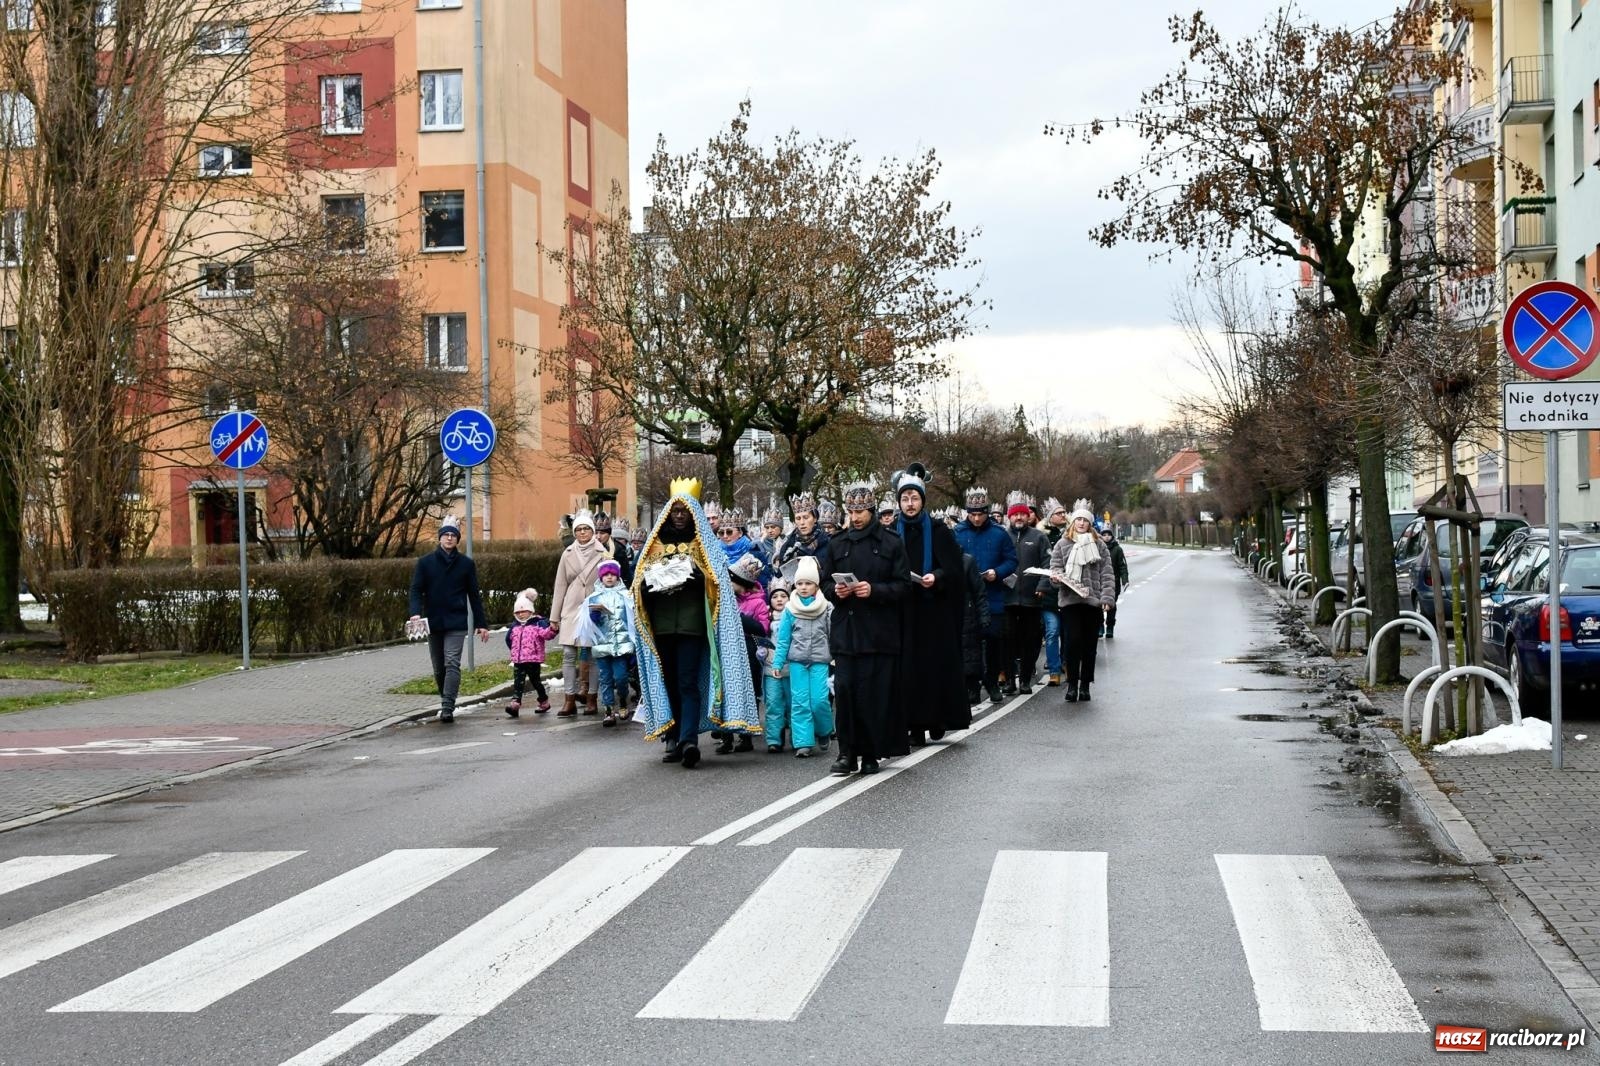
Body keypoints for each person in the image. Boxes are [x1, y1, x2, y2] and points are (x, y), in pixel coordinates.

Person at [631, 479, 761, 768]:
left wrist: (697, 577)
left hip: (691, 625)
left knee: (687, 682)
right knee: (670, 682)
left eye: (683, 511)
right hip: (662, 625)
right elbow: (637, 583)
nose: (679, 515)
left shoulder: (705, 545)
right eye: (674, 511)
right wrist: (649, 585)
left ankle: (689, 740)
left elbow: (718, 583)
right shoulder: (653, 545)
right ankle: (672, 736)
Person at [820, 482, 911, 775]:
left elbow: (903, 586)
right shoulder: (837, 543)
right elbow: (824, 584)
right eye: (852, 511)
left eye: (861, 511)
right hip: (846, 631)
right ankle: (847, 752)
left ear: (871, 511)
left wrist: (875, 590)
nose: (856, 516)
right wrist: (836, 590)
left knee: (872, 695)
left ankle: (871, 752)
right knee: (844, 691)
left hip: (878, 633)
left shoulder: (891, 542)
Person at [892, 463, 969, 743]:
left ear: (922, 501)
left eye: (914, 498)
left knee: (934, 668)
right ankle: (913, 724)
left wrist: (935, 577)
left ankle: (938, 718)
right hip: (903, 611)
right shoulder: (891, 533)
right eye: (905, 499)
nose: (909, 504)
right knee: (908, 669)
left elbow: (954, 570)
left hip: (933, 610)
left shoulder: (938, 531)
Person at [407, 516, 490, 723]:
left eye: (453, 535)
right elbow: (416, 590)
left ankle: (447, 706)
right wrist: (415, 612)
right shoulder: (425, 563)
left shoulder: (465, 564)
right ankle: (445, 697)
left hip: (456, 621)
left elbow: (474, 594)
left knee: (452, 663)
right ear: (440, 538)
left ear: (457, 539)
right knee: (439, 667)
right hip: (433, 621)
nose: (450, 539)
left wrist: (481, 624)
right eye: (446, 535)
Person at [952, 487, 1018, 704]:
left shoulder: (1000, 534)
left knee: (992, 642)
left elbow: (1012, 561)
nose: (977, 518)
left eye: (981, 514)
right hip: (965, 598)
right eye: (973, 514)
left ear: (987, 512)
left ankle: (991, 682)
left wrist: (996, 573)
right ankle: (971, 684)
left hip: (992, 596)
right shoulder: (958, 532)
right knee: (968, 644)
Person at [1049, 499, 1115, 703]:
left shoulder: (1100, 546)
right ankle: (1072, 684)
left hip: (1092, 602)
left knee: (1089, 645)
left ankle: (1085, 685)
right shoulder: (1062, 544)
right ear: (1072, 522)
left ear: (1089, 524)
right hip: (1070, 601)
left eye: (1084, 520)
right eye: (1077, 519)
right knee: (1072, 642)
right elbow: (1055, 568)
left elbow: (1107, 574)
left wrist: (1107, 598)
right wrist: (1056, 578)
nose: (1081, 523)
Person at [770, 556, 835, 759]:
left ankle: (824, 730)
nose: (804, 587)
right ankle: (803, 742)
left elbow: (833, 635)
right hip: (797, 661)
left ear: (816, 585)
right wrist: (778, 662)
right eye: (799, 583)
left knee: (818, 701)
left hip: (819, 660)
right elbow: (783, 639)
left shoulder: (826, 607)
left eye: (808, 583)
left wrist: (837, 657)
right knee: (799, 703)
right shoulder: (791, 609)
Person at [549, 511, 607, 716]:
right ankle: (569, 699)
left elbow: (610, 581)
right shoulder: (567, 554)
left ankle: (591, 698)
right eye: (579, 529)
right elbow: (560, 585)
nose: (583, 532)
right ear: (574, 532)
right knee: (568, 654)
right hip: (571, 608)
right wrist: (554, 617)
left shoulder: (603, 552)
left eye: (586, 529)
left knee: (591, 655)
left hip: (593, 608)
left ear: (592, 531)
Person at [719, 553, 769, 754]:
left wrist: (739, 617)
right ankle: (725, 737)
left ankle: (746, 735)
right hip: (727, 653)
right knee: (725, 693)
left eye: (732, 580)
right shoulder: (724, 600)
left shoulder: (757, 603)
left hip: (749, 654)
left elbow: (762, 628)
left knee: (747, 692)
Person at [578, 560, 636, 727]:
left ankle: (623, 701)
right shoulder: (594, 598)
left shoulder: (626, 595)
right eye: (606, 575)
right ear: (601, 577)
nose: (609, 578)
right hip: (602, 645)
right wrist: (593, 617)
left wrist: (633, 648)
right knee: (605, 678)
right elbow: (587, 625)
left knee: (621, 677)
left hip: (622, 645)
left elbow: (632, 621)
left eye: (612, 574)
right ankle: (609, 710)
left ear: (617, 576)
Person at [1005, 491, 1051, 694]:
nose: (1019, 517)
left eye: (1022, 514)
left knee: (1030, 642)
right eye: (1015, 514)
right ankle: (1008, 680)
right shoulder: (1002, 536)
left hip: (1032, 600)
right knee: (1006, 642)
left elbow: (1048, 564)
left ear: (1028, 516)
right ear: (1009, 516)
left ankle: (1024, 680)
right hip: (1006, 600)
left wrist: (1042, 586)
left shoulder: (1039, 537)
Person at [504, 588, 555, 717]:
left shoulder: (538, 623)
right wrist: (515, 651)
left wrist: (553, 629)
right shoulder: (515, 626)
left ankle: (543, 701)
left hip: (533, 659)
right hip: (519, 660)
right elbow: (508, 639)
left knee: (535, 681)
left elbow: (546, 634)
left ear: (530, 611)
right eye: (518, 612)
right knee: (518, 682)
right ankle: (515, 703)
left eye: (524, 611)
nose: (521, 614)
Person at [760, 582, 793, 753]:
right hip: (770, 667)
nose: (779, 600)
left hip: (792, 667)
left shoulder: (796, 614)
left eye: (783, 596)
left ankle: (797, 737)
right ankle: (775, 740)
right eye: (775, 596)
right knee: (773, 703)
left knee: (793, 704)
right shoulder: (766, 617)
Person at [1038, 497, 1067, 685]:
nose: (1063, 515)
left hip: (1068, 593)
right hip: (1049, 594)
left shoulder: (1071, 535)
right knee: (1052, 632)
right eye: (1058, 513)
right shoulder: (1041, 537)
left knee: (1068, 633)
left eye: (1064, 512)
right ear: (1050, 517)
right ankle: (1054, 670)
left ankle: (1066, 663)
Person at [773, 493, 830, 575]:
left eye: (806, 517)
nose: (802, 522)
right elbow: (780, 575)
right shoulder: (789, 545)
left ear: (815, 519)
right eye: (798, 518)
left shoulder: (827, 543)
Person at [959, 550, 989, 705]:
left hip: (967, 612)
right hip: (949, 614)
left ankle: (973, 687)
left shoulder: (966, 560)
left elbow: (979, 591)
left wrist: (983, 615)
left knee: (970, 652)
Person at [1101, 523, 1130, 639]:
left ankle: (1110, 627)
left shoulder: (1118, 549)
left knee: (1111, 606)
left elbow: (1122, 566)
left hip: (1114, 582)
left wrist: (1125, 580)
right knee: (1098, 605)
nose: (1106, 537)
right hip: (1100, 582)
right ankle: (1099, 626)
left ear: (1112, 536)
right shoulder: (1098, 548)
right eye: (1104, 535)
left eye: (1108, 535)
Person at [594, 513, 635, 586]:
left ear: (609, 534)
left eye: (602, 533)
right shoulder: (590, 547)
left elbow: (626, 575)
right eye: (596, 533)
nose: (598, 536)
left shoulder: (618, 549)